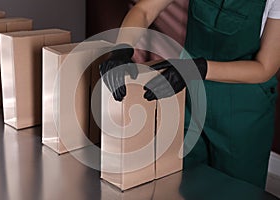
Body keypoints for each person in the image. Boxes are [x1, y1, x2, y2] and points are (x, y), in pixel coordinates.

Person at [99, 0, 280, 188]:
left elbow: (265, 68)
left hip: (244, 109)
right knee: (183, 183)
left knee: (238, 190)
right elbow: (144, 10)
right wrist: (122, 49)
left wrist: (199, 69)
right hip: (191, 96)